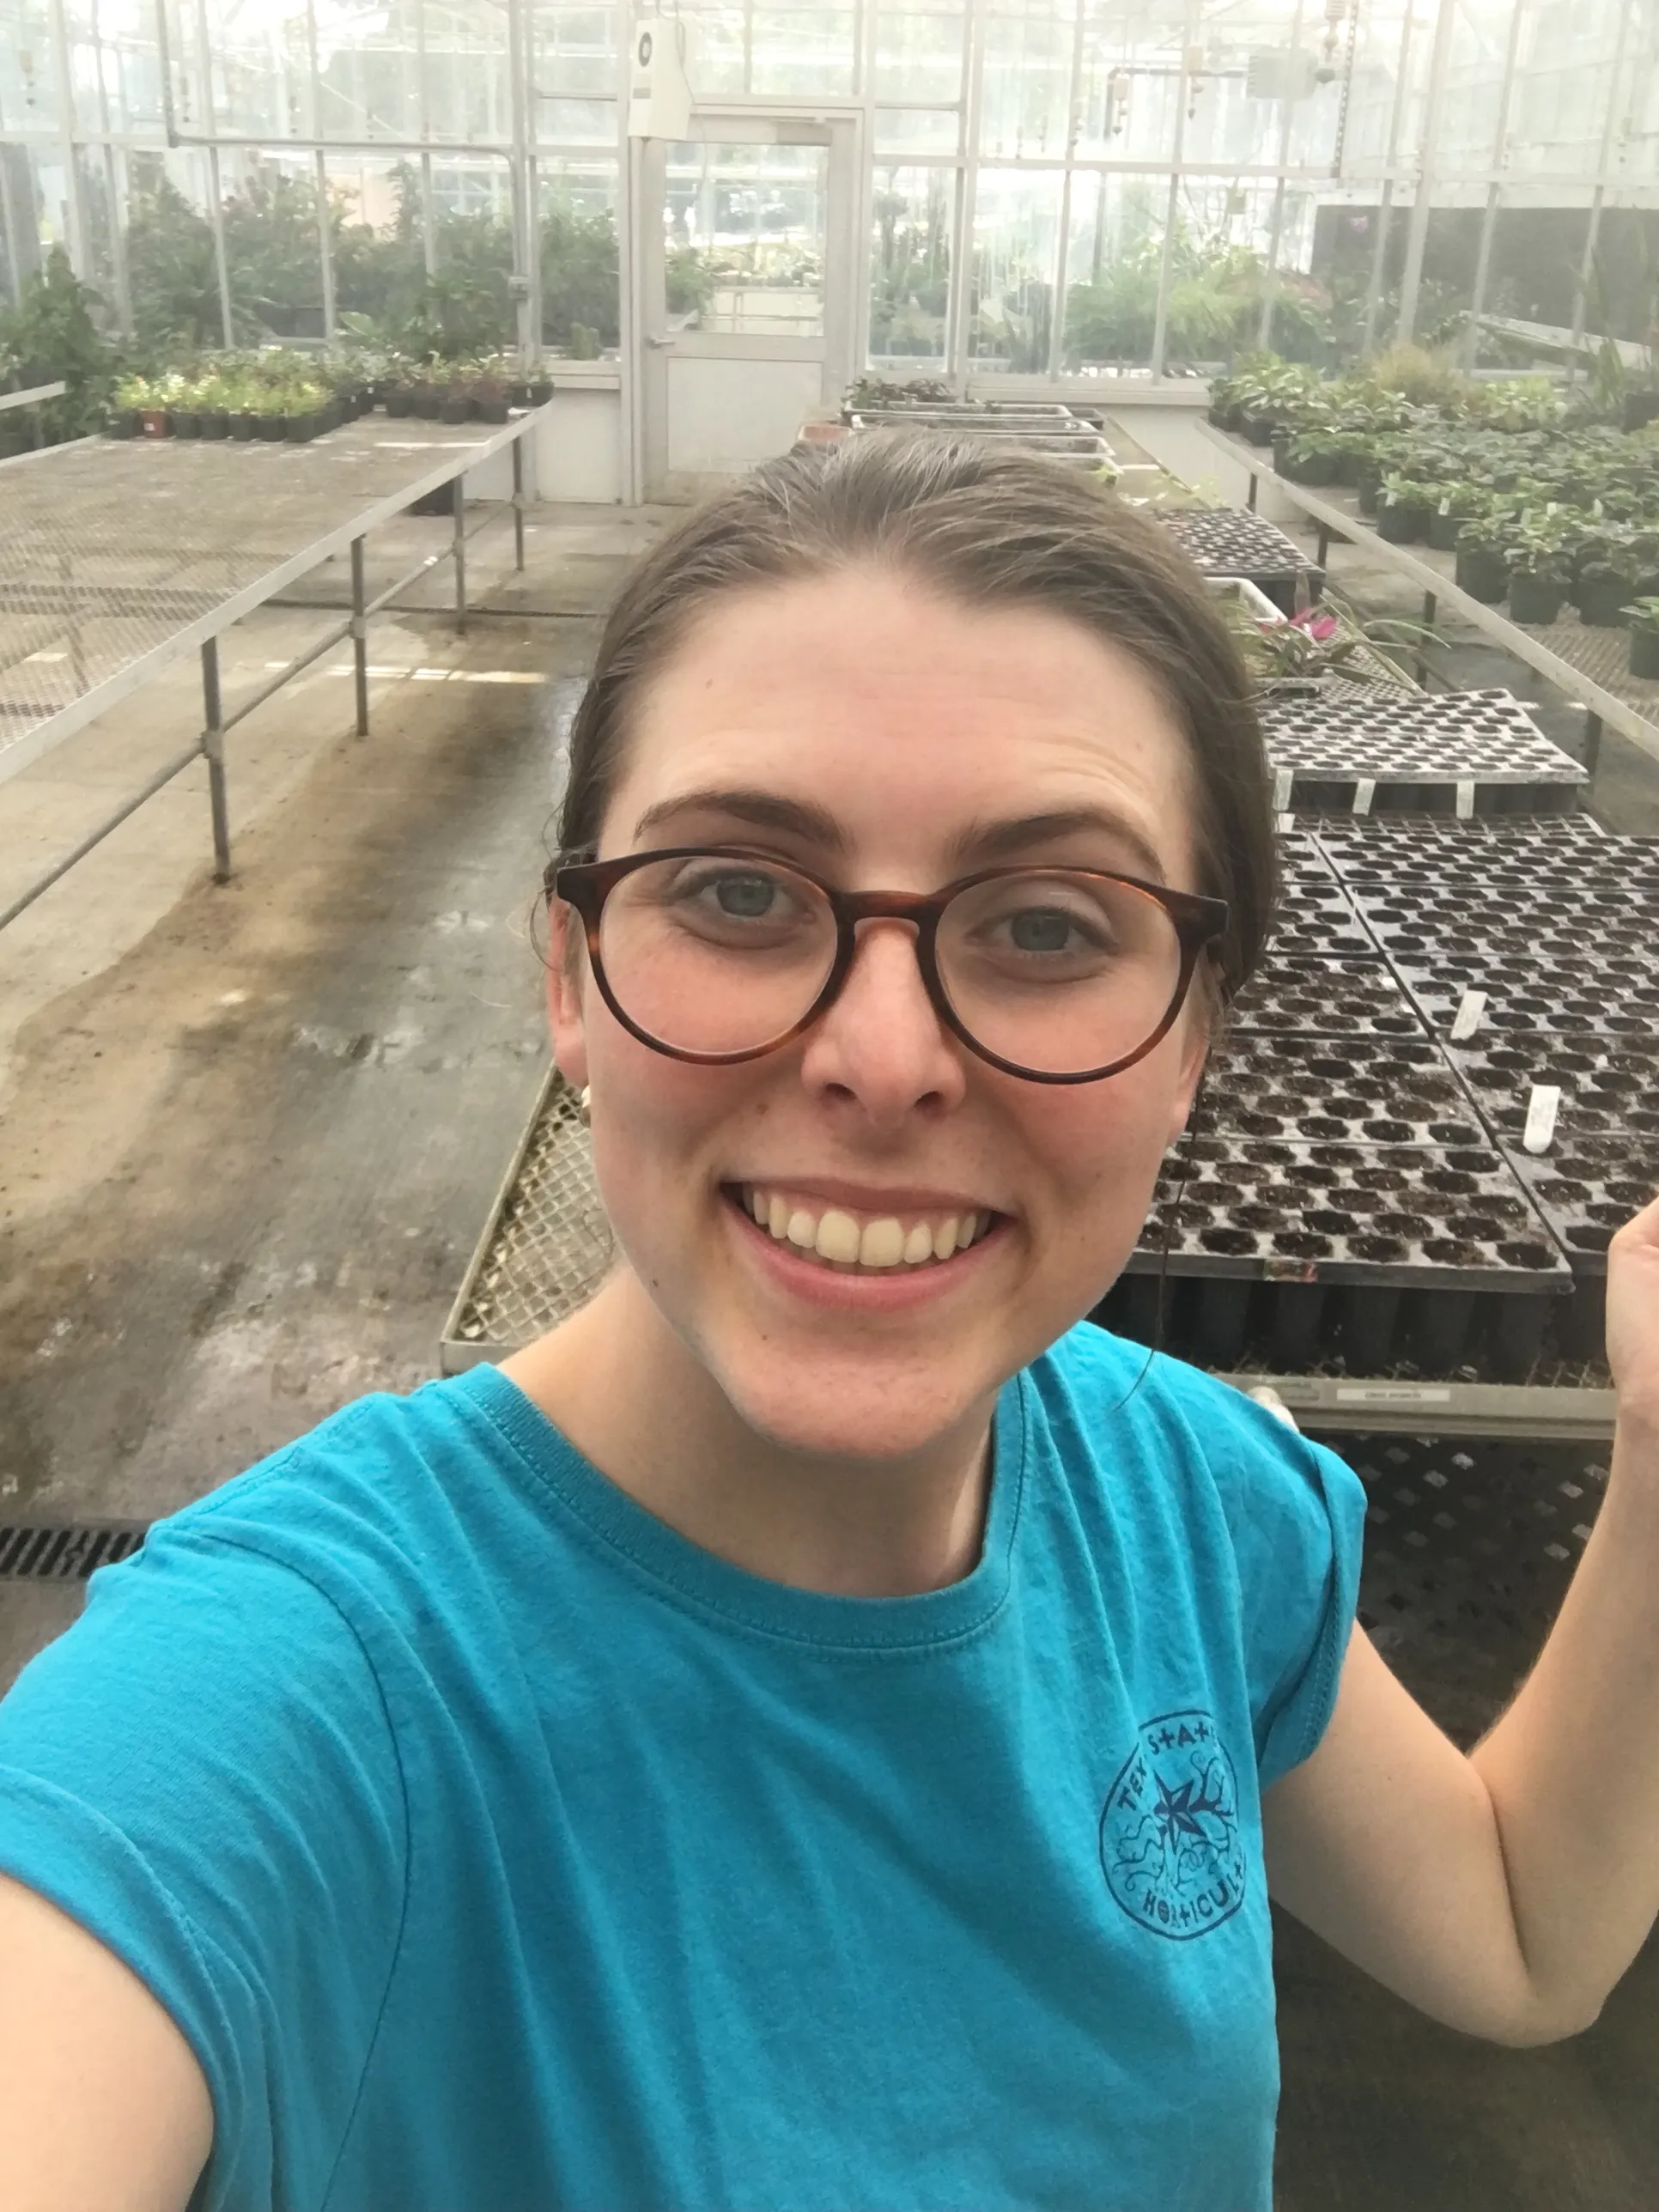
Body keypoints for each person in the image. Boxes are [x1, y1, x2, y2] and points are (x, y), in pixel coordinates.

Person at [0, 433, 1656, 2212]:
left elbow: (1517, 1930)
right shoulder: (292, 1700)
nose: (882, 1055)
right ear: (569, 975)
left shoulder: (1192, 1507)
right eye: (737, 893)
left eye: (1046, 925)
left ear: (1196, 1038)